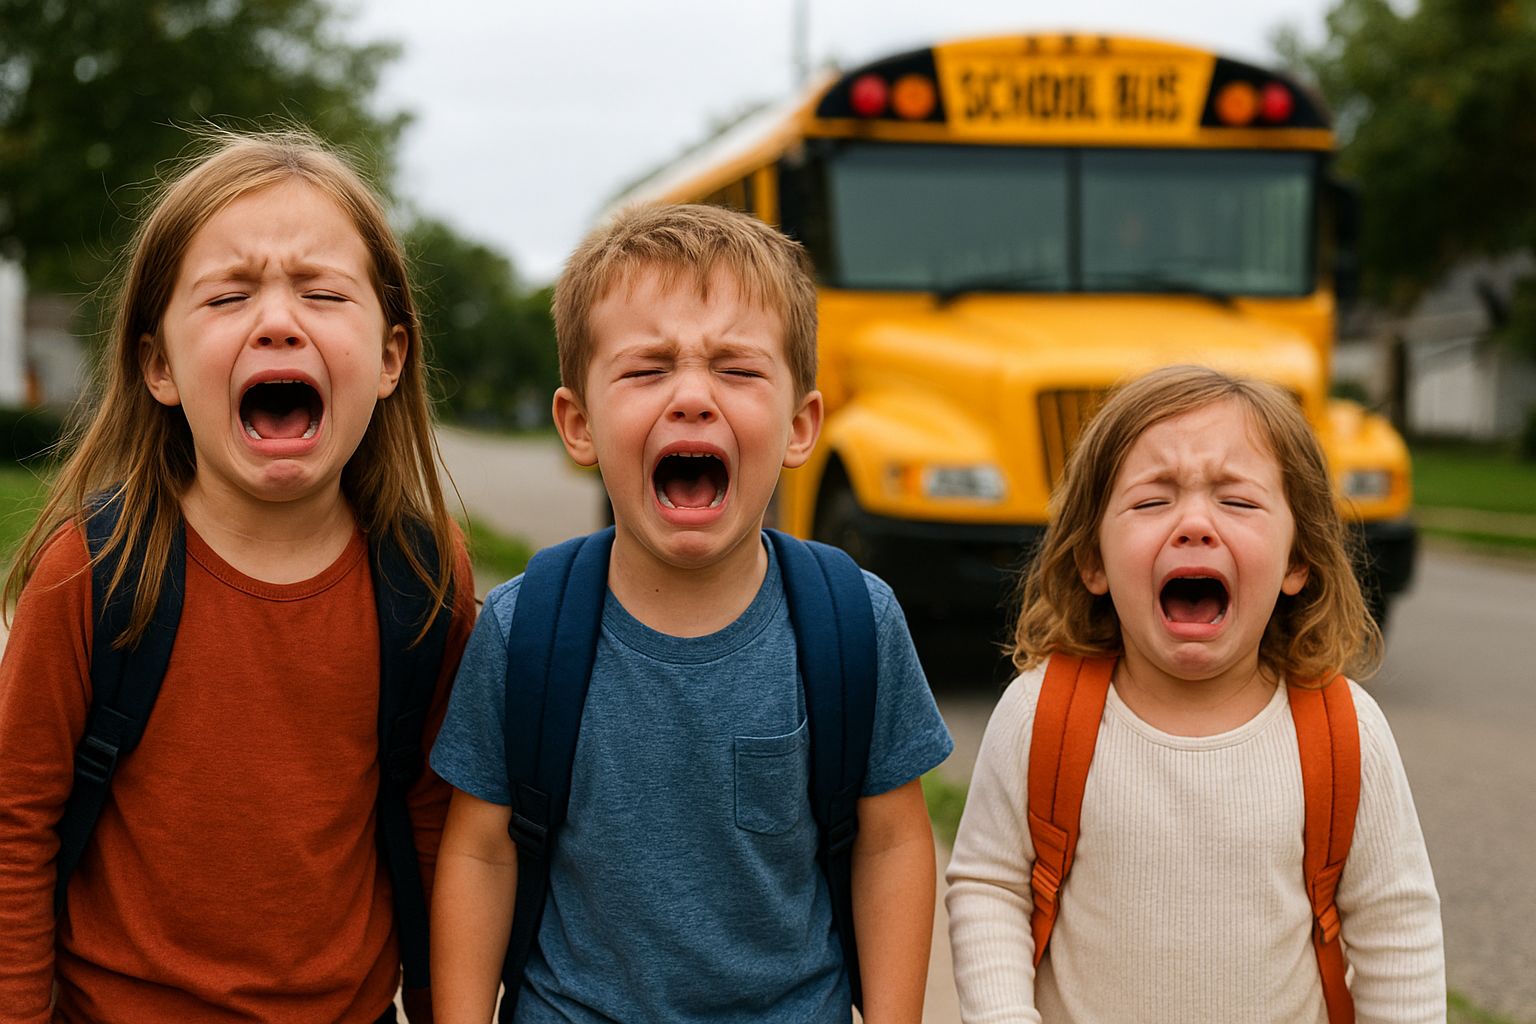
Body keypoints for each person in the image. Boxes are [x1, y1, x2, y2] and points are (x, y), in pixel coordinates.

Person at [429, 203, 953, 1023]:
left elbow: (889, 842)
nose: (693, 397)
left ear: (799, 425)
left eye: (738, 370)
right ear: (578, 426)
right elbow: (480, 851)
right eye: (647, 370)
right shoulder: (523, 628)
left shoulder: (855, 620)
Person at [0, 129, 475, 1023]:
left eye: (324, 292)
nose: (279, 319)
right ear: (159, 367)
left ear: (388, 359)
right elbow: (12, 828)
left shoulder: (422, 571)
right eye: (227, 295)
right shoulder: (93, 572)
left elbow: (434, 823)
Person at [946, 365, 1444, 1023]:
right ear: (1092, 558)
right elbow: (988, 888)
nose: (1195, 525)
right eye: (1153, 501)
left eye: (1237, 502)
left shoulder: (1346, 731)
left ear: (1299, 560)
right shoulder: (1041, 715)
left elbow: (1396, 931)